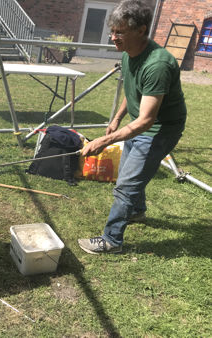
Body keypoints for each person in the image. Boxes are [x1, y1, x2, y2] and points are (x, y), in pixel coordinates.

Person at [77, 0, 187, 254]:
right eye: (112, 31)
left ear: (141, 30)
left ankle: (112, 240)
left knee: (126, 184)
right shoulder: (129, 54)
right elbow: (134, 89)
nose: (113, 37)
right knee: (129, 170)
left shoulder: (157, 64)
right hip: (140, 124)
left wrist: (104, 142)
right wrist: (117, 117)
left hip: (161, 129)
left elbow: (147, 120)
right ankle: (136, 211)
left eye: (120, 32)